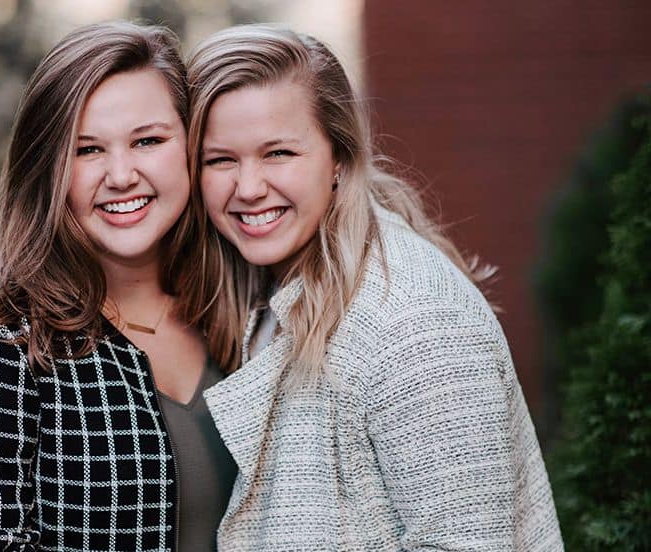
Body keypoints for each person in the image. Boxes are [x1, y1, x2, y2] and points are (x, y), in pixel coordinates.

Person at [179, 25, 564, 550]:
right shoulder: (271, 284)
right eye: (220, 160)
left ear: (339, 157)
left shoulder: (415, 319)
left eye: (278, 154)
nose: (247, 188)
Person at [0, 22, 236, 551]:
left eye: (148, 140)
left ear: (191, 147)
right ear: (46, 166)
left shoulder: (237, 307)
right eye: (86, 150)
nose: (122, 174)